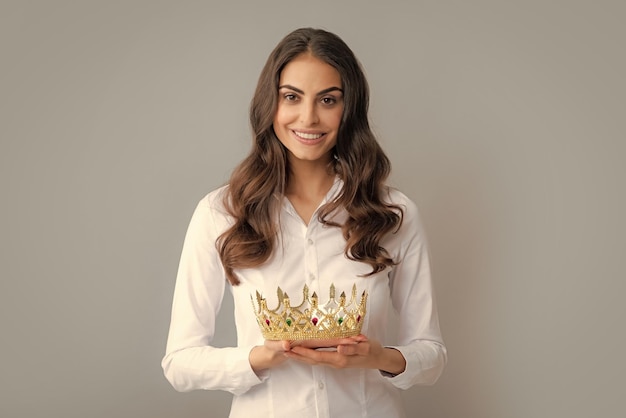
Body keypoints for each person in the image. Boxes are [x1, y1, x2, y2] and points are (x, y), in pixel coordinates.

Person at [162, 27, 447, 418]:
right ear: (270, 104)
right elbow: (179, 362)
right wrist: (257, 360)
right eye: (291, 97)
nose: (308, 117)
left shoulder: (392, 214)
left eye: (328, 100)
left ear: (349, 109)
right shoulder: (221, 213)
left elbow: (431, 355)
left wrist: (378, 357)